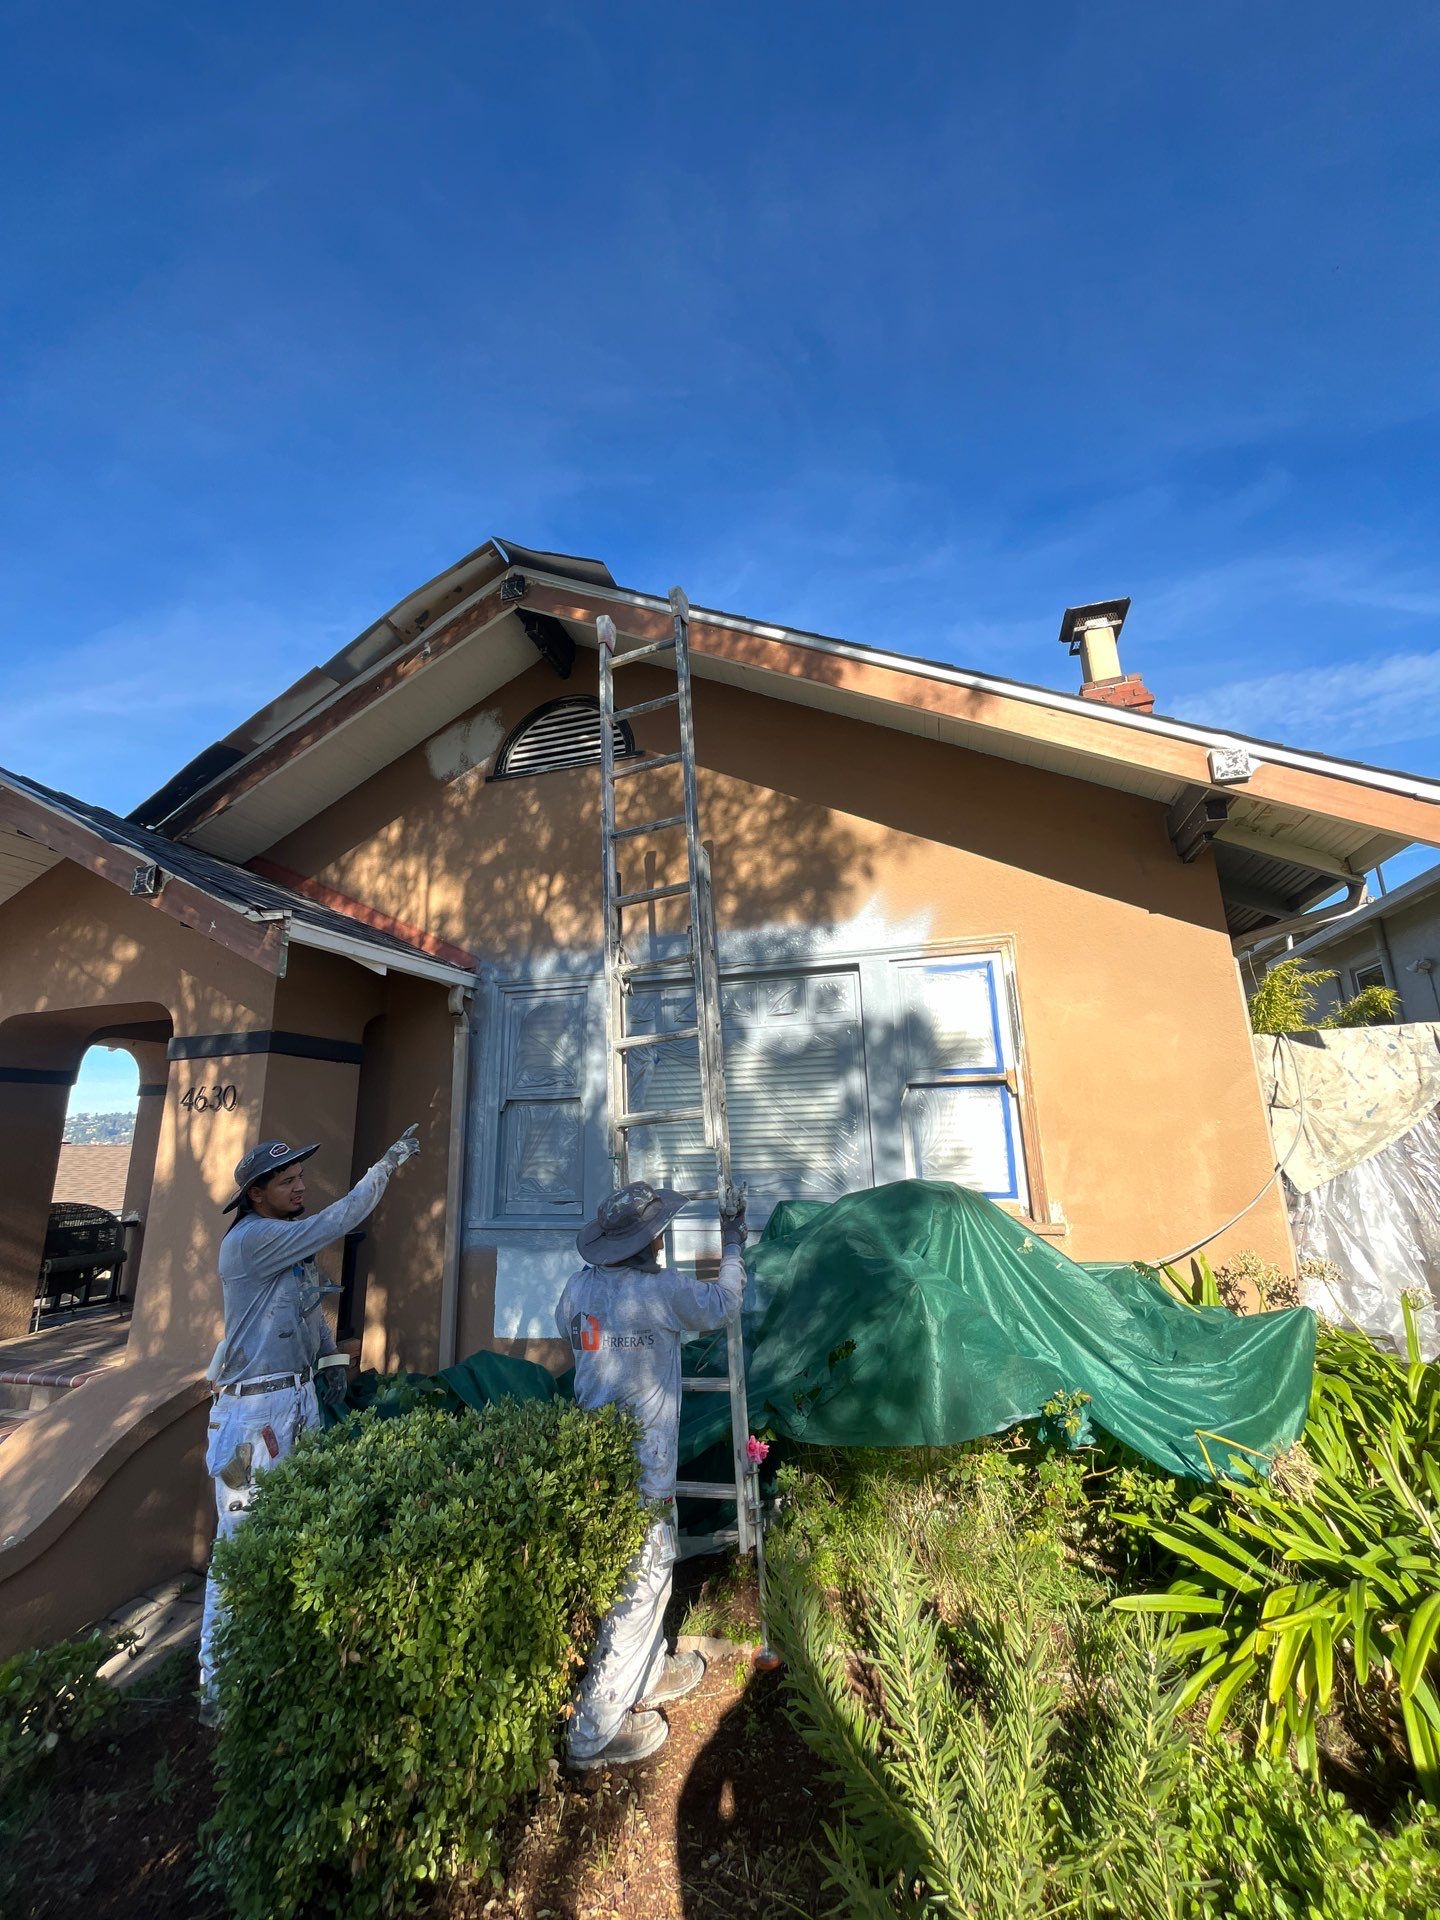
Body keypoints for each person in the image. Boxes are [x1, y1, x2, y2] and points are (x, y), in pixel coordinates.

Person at [198, 1126, 421, 1713]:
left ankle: (277, 1662)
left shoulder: (288, 1243)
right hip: (250, 1417)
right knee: (240, 1537)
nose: (299, 1189)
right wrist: (385, 1165)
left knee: (298, 1523)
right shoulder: (250, 1242)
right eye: (286, 1182)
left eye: (300, 1179)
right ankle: (218, 1687)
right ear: (255, 1194)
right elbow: (341, 1218)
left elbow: (309, 1311)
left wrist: (330, 1370)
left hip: (293, 1402)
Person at [557, 1179, 747, 1770]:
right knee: (637, 1585)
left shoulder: (580, 1287)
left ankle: (650, 1669)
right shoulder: (662, 1292)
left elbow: (574, 1334)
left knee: (650, 1567)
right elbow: (723, 1304)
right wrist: (733, 1241)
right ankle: (594, 1732)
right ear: (651, 1241)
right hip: (645, 1463)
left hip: (596, 1460)